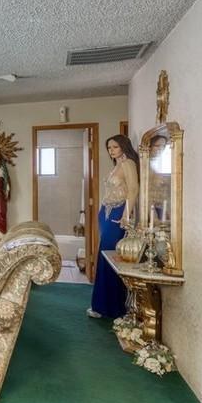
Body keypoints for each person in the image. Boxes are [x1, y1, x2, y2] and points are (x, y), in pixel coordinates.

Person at [87, 134, 139, 319]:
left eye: (115, 147)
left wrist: (126, 216)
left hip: (118, 214)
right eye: (109, 148)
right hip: (107, 213)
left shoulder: (128, 164)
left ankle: (113, 307)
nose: (111, 150)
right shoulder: (117, 165)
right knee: (104, 255)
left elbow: (133, 189)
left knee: (112, 257)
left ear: (123, 146)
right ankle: (101, 305)